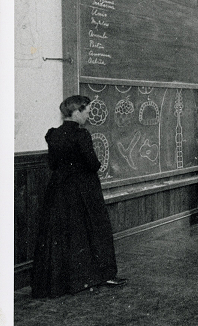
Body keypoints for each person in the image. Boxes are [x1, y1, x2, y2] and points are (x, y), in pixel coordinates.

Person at [31, 95, 127, 298]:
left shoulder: (52, 134)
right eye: (87, 112)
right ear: (76, 112)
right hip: (84, 190)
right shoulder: (81, 135)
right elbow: (93, 164)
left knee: (63, 235)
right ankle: (103, 275)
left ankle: (65, 283)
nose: (88, 116)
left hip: (59, 190)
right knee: (96, 230)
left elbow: (53, 164)